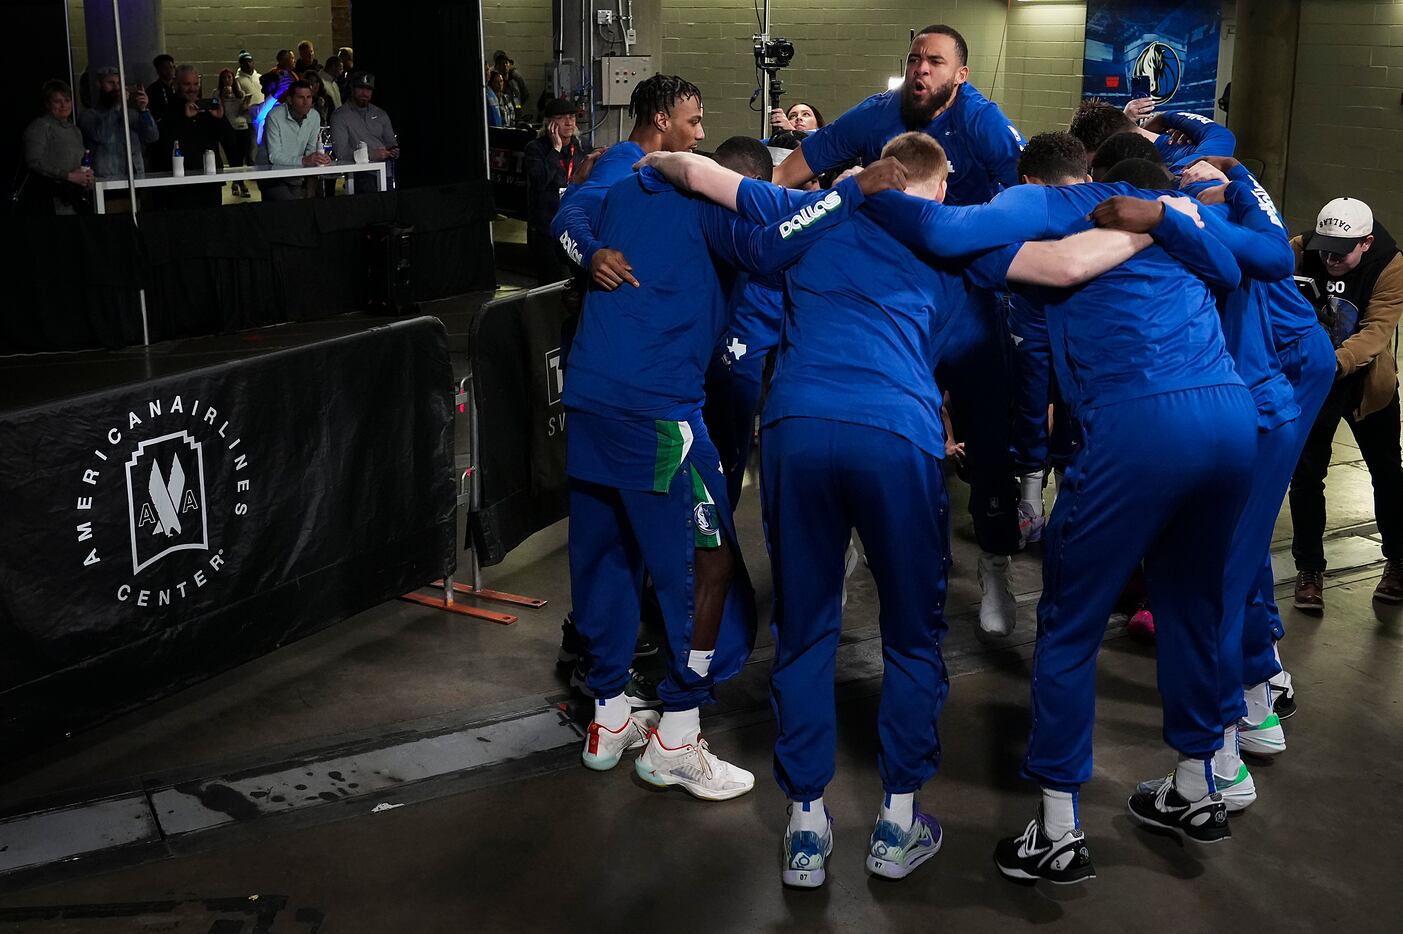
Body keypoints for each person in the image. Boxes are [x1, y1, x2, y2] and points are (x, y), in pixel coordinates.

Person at [643, 132, 1162, 887]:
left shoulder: (816, 211)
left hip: (798, 430)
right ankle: (895, 823)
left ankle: (806, 830)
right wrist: (1167, 223)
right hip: (896, 435)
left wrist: (652, 163)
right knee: (911, 633)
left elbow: (698, 172)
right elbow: (1063, 264)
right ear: (940, 187)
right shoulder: (953, 246)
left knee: (805, 629)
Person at [861, 151, 1255, 880]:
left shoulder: (1050, 203)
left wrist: (863, 191)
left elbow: (948, 238)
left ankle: (1056, 828)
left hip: (1139, 421)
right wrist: (1165, 219)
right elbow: (1233, 272)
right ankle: (1198, 786)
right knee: (1191, 609)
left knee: (1068, 625)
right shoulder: (1180, 217)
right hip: (1228, 418)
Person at [565, 117, 884, 805]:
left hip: (587, 398)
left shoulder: (623, 182)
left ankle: (608, 718)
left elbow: (570, 209)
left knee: (607, 554)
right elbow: (775, 244)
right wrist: (855, 194)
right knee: (707, 566)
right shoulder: (712, 210)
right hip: (656, 413)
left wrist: (587, 250)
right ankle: (676, 738)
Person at [777, 24, 1029, 637]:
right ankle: (842, 550)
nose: (921, 69)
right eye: (915, 58)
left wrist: (975, 234)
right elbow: (790, 174)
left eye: (935, 62)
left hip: (963, 288)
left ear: (959, 75)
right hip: (888, 292)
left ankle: (994, 564)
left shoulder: (984, 123)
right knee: (872, 422)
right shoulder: (875, 115)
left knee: (988, 431)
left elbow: (1028, 196)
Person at [1288, 197, 1403, 610]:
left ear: (1367, 243)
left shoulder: (1391, 265)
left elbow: (1376, 331)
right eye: (1325, 249)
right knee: (1305, 479)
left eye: (1342, 251)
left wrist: (1330, 362)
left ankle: (1398, 561)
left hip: (1365, 385)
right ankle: (1309, 570)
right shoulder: (1301, 249)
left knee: (1387, 474)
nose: (1330, 258)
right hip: (1314, 386)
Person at [1069, 98, 1235, 177]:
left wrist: (1163, 118)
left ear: (1111, 145)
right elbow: (1220, 134)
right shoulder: (1193, 147)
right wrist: (1163, 119)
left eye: (1093, 166)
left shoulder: (1187, 166)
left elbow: (1223, 136)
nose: (1092, 175)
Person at [522, 98, 582, 283]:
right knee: (550, 283)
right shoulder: (535, 149)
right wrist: (555, 150)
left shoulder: (580, 147)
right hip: (545, 227)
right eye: (561, 117)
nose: (569, 122)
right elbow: (540, 182)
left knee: (576, 281)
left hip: (573, 225)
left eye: (571, 117)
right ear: (549, 123)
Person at [21, 80, 90, 214]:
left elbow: (78, 162)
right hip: (52, 200)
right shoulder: (40, 126)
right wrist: (68, 176)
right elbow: (34, 162)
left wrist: (86, 176)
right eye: (57, 101)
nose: (64, 105)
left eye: (67, 100)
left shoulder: (75, 129)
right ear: (48, 104)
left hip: (75, 199)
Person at [77, 67, 158, 180]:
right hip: (106, 182)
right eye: (111, 83)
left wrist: (143, 110)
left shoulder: (131, 114)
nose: (116, 87)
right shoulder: (89, 115)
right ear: (99, 84)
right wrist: (118, 105)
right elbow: (101, 135)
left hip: (134, 180)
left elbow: (152, 137)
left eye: (119, 83)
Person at [257, 80, 329, 201]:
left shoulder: (314, 116)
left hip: (295, 172)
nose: (306, 102)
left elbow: (310, 149)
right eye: (301, 97)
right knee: (290, 207)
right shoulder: (274, 116)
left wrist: (318, 157)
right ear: (290, 100)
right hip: (270, 174)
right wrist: (305, 160)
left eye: (309, 97)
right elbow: (274, 157)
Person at [330, 72, 398, 193]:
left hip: (385, 171)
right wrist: (372, 155)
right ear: (352, 89)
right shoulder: (340, 116)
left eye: (368, 89)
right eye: (360, 88)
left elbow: (391, 142)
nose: (365, 93)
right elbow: (341, 153)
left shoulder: (380, 113)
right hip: (359, 174)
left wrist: (393, 151)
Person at [231, 51, 264, 194]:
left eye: (250, 61)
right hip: (248, 120)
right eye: (245, 62)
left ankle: (259, 174)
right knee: (249, 150)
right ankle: (248, 179)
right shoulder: (237, 80)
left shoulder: (259, 77)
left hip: (262, 118)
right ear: (240, 63)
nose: (248, 64)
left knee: (261, 148)